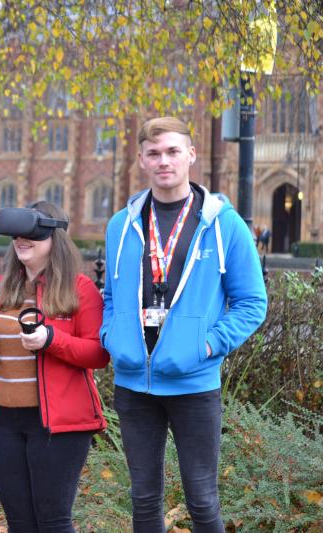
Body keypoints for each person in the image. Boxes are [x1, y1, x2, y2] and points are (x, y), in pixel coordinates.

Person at [100, 116, 267, 532]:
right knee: (143, 499)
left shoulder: (224, 224)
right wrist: (111, 336)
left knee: (202, 499)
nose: (164, 161)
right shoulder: (121, 225)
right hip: (134, 384)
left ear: (191, 155)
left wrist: (205, 347)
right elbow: (109, 296)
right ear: (141, 159)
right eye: (154, 153)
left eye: (173, 151)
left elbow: (252, 303)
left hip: (195, 385)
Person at [0, 202, 108, 533]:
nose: (21, 240)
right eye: (17, 234)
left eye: (32, 234)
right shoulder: (2, 287)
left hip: (58, 424)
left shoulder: (80, 288)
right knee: (19, 522)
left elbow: (98, 354)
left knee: (52, 521)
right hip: (5, 419)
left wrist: (51, 340)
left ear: (54, 237)